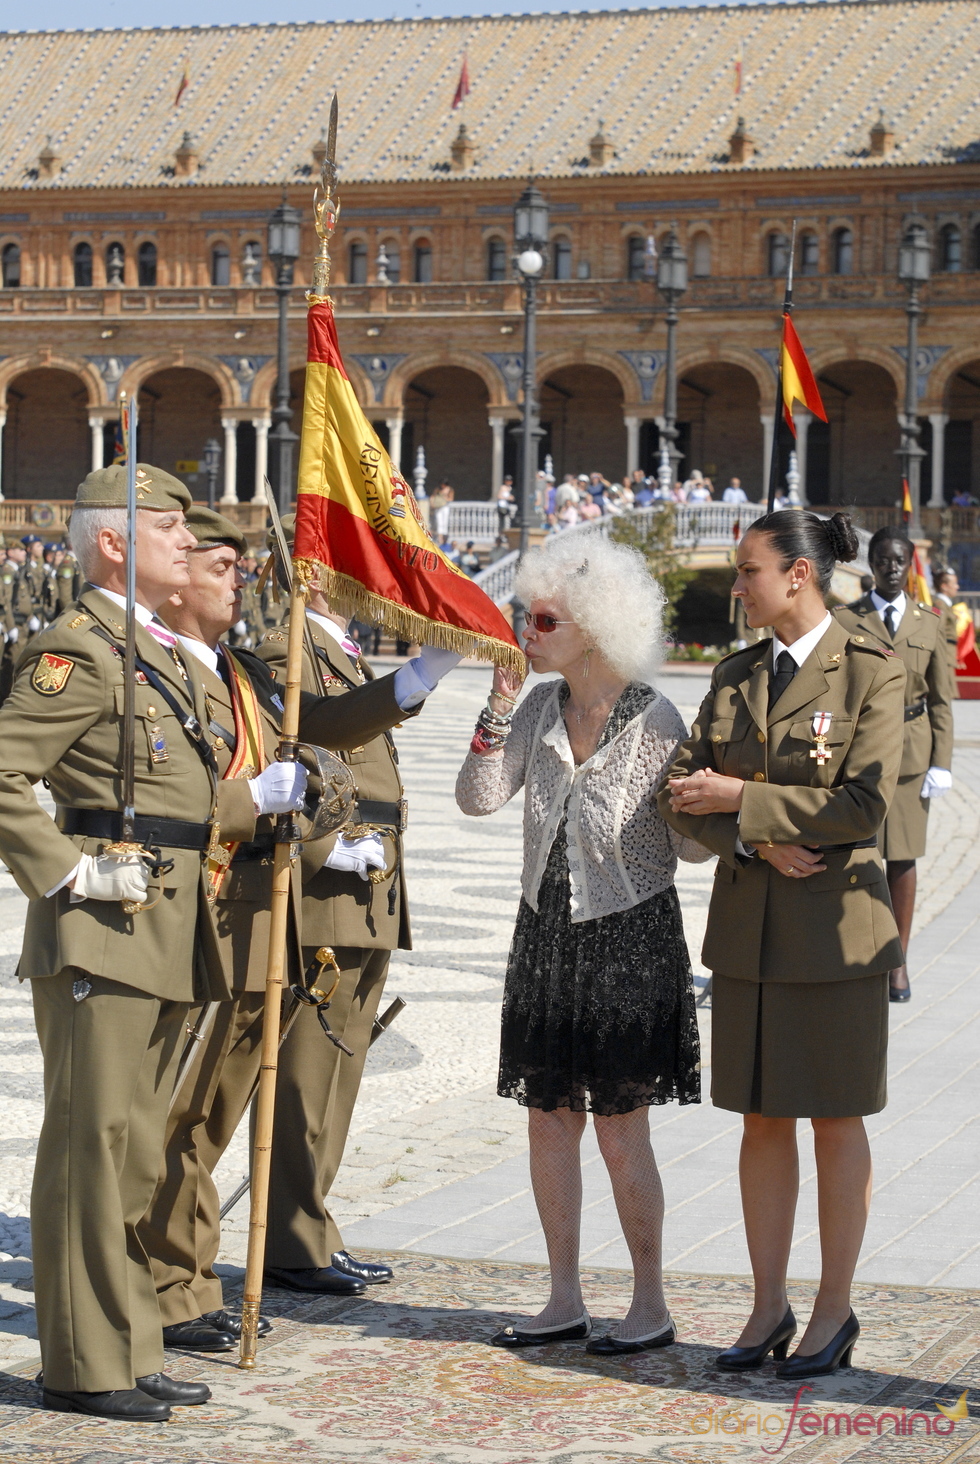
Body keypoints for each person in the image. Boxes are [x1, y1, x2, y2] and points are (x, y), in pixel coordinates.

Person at [0, 466, 310, 1420]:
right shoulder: (78, 650)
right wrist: (65, 869)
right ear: (110, 542)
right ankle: (82, 1365)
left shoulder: (160, 655)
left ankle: (129, 1343)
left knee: (137, 1152)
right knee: (92, 1148)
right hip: (102, 926)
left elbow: (177, 802)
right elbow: (7, 771)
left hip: (173, 924)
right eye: (168, 528)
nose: (185, 541)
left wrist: (252, 804)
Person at [139, 507, 434, 1344]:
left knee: (211, 1113)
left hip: (252, 916)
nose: (241, 581)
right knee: (182, 1114)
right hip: (192, 915)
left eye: (241, 564)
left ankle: (185, 1281)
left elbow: (322, 741)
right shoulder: (196, 662)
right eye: (220, 564)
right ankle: (168, 1283)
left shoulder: (233, 670)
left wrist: (419, 681)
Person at [660, 509, 906, 1381]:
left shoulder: (873, 668)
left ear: (799, 574)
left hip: (837, 933)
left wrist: (740, 795)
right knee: (761, 1120)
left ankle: (834, 1310)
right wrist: (750, 833)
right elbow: (677, 791)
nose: (737, 585)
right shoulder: (734, 677)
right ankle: (768, 1305)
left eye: (750, 570)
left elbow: (863, 807)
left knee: (835, 1121)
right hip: (749, 934)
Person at [456, 534, 707, 1354]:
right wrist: (497, 702)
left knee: (619, 1126)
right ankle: (562, 1296)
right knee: (547, 1120)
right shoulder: (536, 707)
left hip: (629, 937)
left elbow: (696, 848)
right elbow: (478, 798)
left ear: (594, 625)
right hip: (545, 935)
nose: (527, 633)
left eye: (543, 620)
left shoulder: (653, 717)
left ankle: (649, 1302)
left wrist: (705, 791)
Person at [256, 517, 461, 1296]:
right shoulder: (289, 650)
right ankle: (292, 1240)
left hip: (368, 886)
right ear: (313, 579)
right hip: (329, 887)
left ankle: (311, 1227)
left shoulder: (338, 652)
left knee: (340, 1069)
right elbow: (294, 748)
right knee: (309, 1072)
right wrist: (321, 848)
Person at [833, 530, 954, 1002]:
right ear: (872, 562)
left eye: (899, 560)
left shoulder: (929, 623)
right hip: (861, 752)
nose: (891, 567)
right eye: (883, 559)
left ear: (909, 565)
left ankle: (897, 962)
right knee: (855, 857)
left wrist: (941, 762)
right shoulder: (845, 618)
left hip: (910, 753)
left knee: (901, 858)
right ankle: (856, 956)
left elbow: (943, 700)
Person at [933, 567, 963, 694]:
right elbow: (939, 629)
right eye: (954, 583)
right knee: (945, 692)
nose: (957, 587)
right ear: (944, 586)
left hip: (948, 654)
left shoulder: (946, 605)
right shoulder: (940, 604)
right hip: (944, 653)